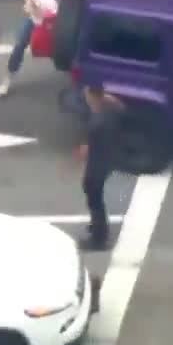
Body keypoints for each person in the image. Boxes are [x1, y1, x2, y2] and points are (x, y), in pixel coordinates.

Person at [76, 86, 126, 250]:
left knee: (93, 197)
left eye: (87, 95)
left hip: (97, 163)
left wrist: (81, 159)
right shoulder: (111, 111)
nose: (86, 99)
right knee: (95, 195)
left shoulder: (96, 122)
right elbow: (122, 109)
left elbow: (86, 150)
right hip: (109, 160)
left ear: (92, 96)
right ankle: (98, 228)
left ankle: (98, 238)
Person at [0, 0, 57, 96]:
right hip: (33, 21)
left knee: (54, 49)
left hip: (47, 25)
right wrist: (29, 6)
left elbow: (52, 11)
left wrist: (35, 8)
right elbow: (27, 8)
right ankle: (8, 76)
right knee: (19, 46)